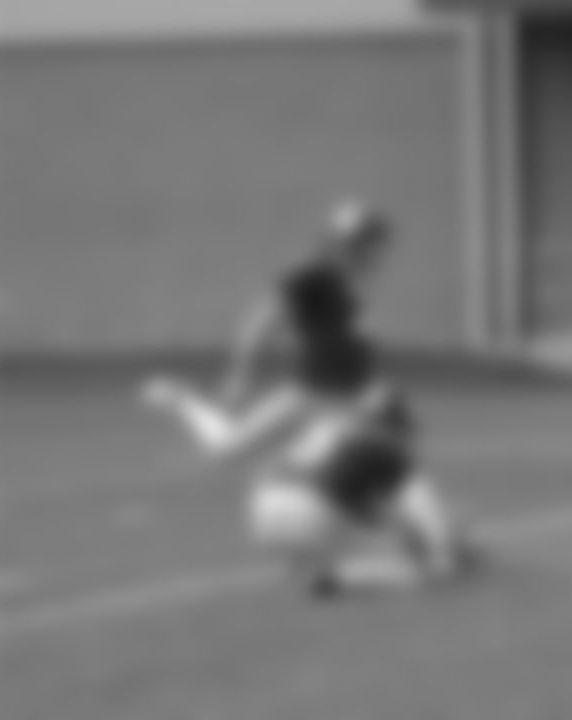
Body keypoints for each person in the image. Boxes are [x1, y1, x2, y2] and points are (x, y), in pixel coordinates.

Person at [142, 199, 479, 597]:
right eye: (366, 243)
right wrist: (240, 373)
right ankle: (182, 400)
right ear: (343, 243)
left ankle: (427, 538)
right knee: (228, 451)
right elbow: (262, 320)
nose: (374, 253)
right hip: (311, 393)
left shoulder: (347, 278)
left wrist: (373, 378)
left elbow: (344, 336)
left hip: (349, 394)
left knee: (381, 460)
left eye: (374, 243)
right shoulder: (311, 274)